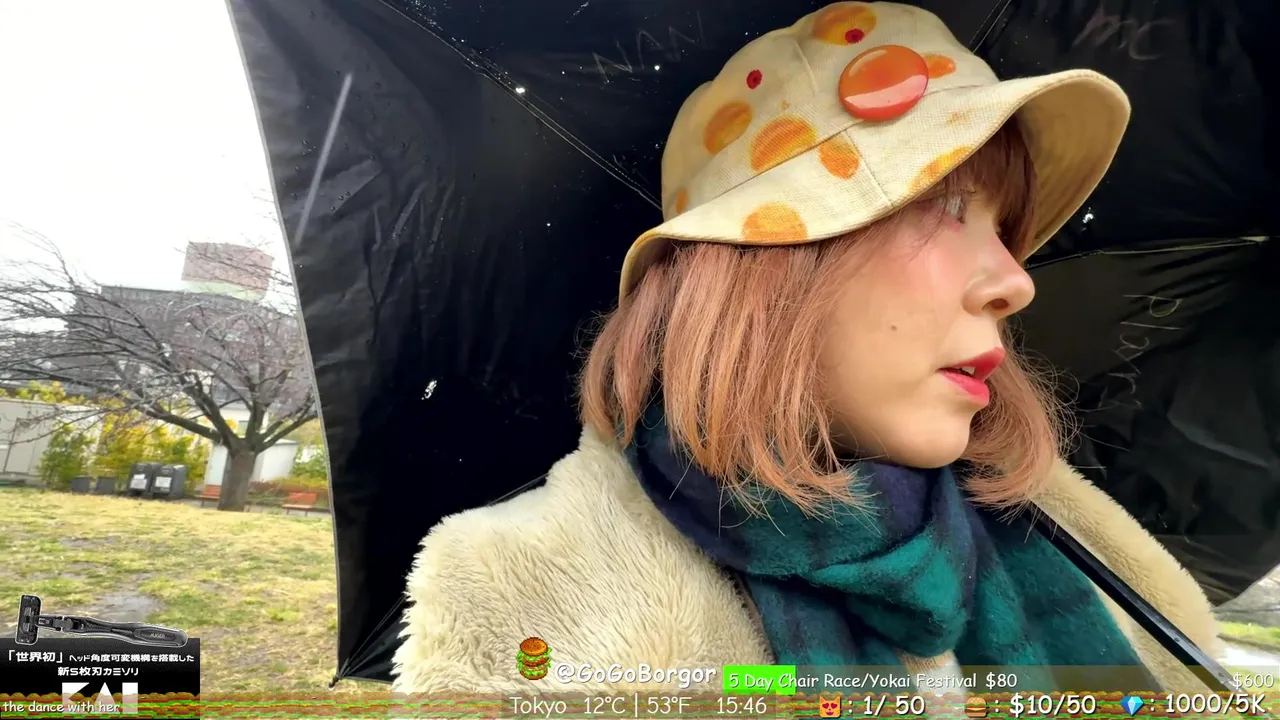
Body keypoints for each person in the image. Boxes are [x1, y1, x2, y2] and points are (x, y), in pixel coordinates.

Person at [391, 1, 1220, 697]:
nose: (1015, 281)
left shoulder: (1095, 562)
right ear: (767, 272)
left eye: (1005, 229)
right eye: (947, 206)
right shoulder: (526, 600)